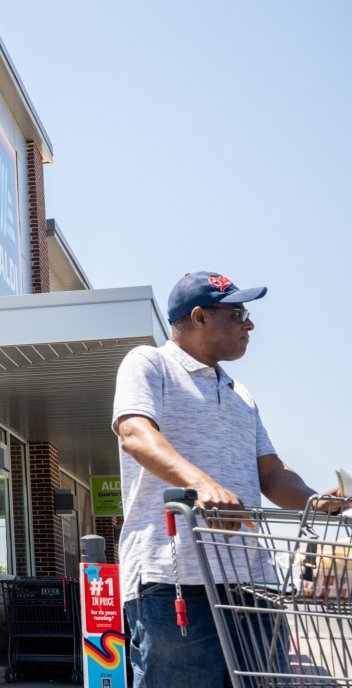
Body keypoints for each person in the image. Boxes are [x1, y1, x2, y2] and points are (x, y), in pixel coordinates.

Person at [112, 271, 337, 688]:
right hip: (175, 579)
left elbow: (270, 473)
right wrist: (202, 485)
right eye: (238, 313)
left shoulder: (240, 393)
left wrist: (314, 500)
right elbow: (135, 434)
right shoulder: (149, 364)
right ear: (198, 317)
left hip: (252, 582)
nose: (249, 324)